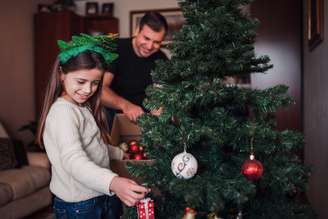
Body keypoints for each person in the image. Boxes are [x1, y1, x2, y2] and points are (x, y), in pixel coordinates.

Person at [35, 34, 149, 219]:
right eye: (81, 81)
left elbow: (93, 145)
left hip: (101, 194)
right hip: (80, 205)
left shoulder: (81, 106)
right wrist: (114, 182)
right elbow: (74, 161)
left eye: (95, 83)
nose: (88, 90)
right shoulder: (63, 113)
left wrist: (119, 154)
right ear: (62, 75)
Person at [101, 11, 168, 124]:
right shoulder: (115, 48)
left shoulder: (162, 59)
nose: (150, 46)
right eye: (146, 38)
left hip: (146, 120)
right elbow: (100, 90)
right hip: (114, 114)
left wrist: (160, 107)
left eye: (157, 42)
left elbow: (162, 93)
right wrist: (126, 105)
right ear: (137, 30)